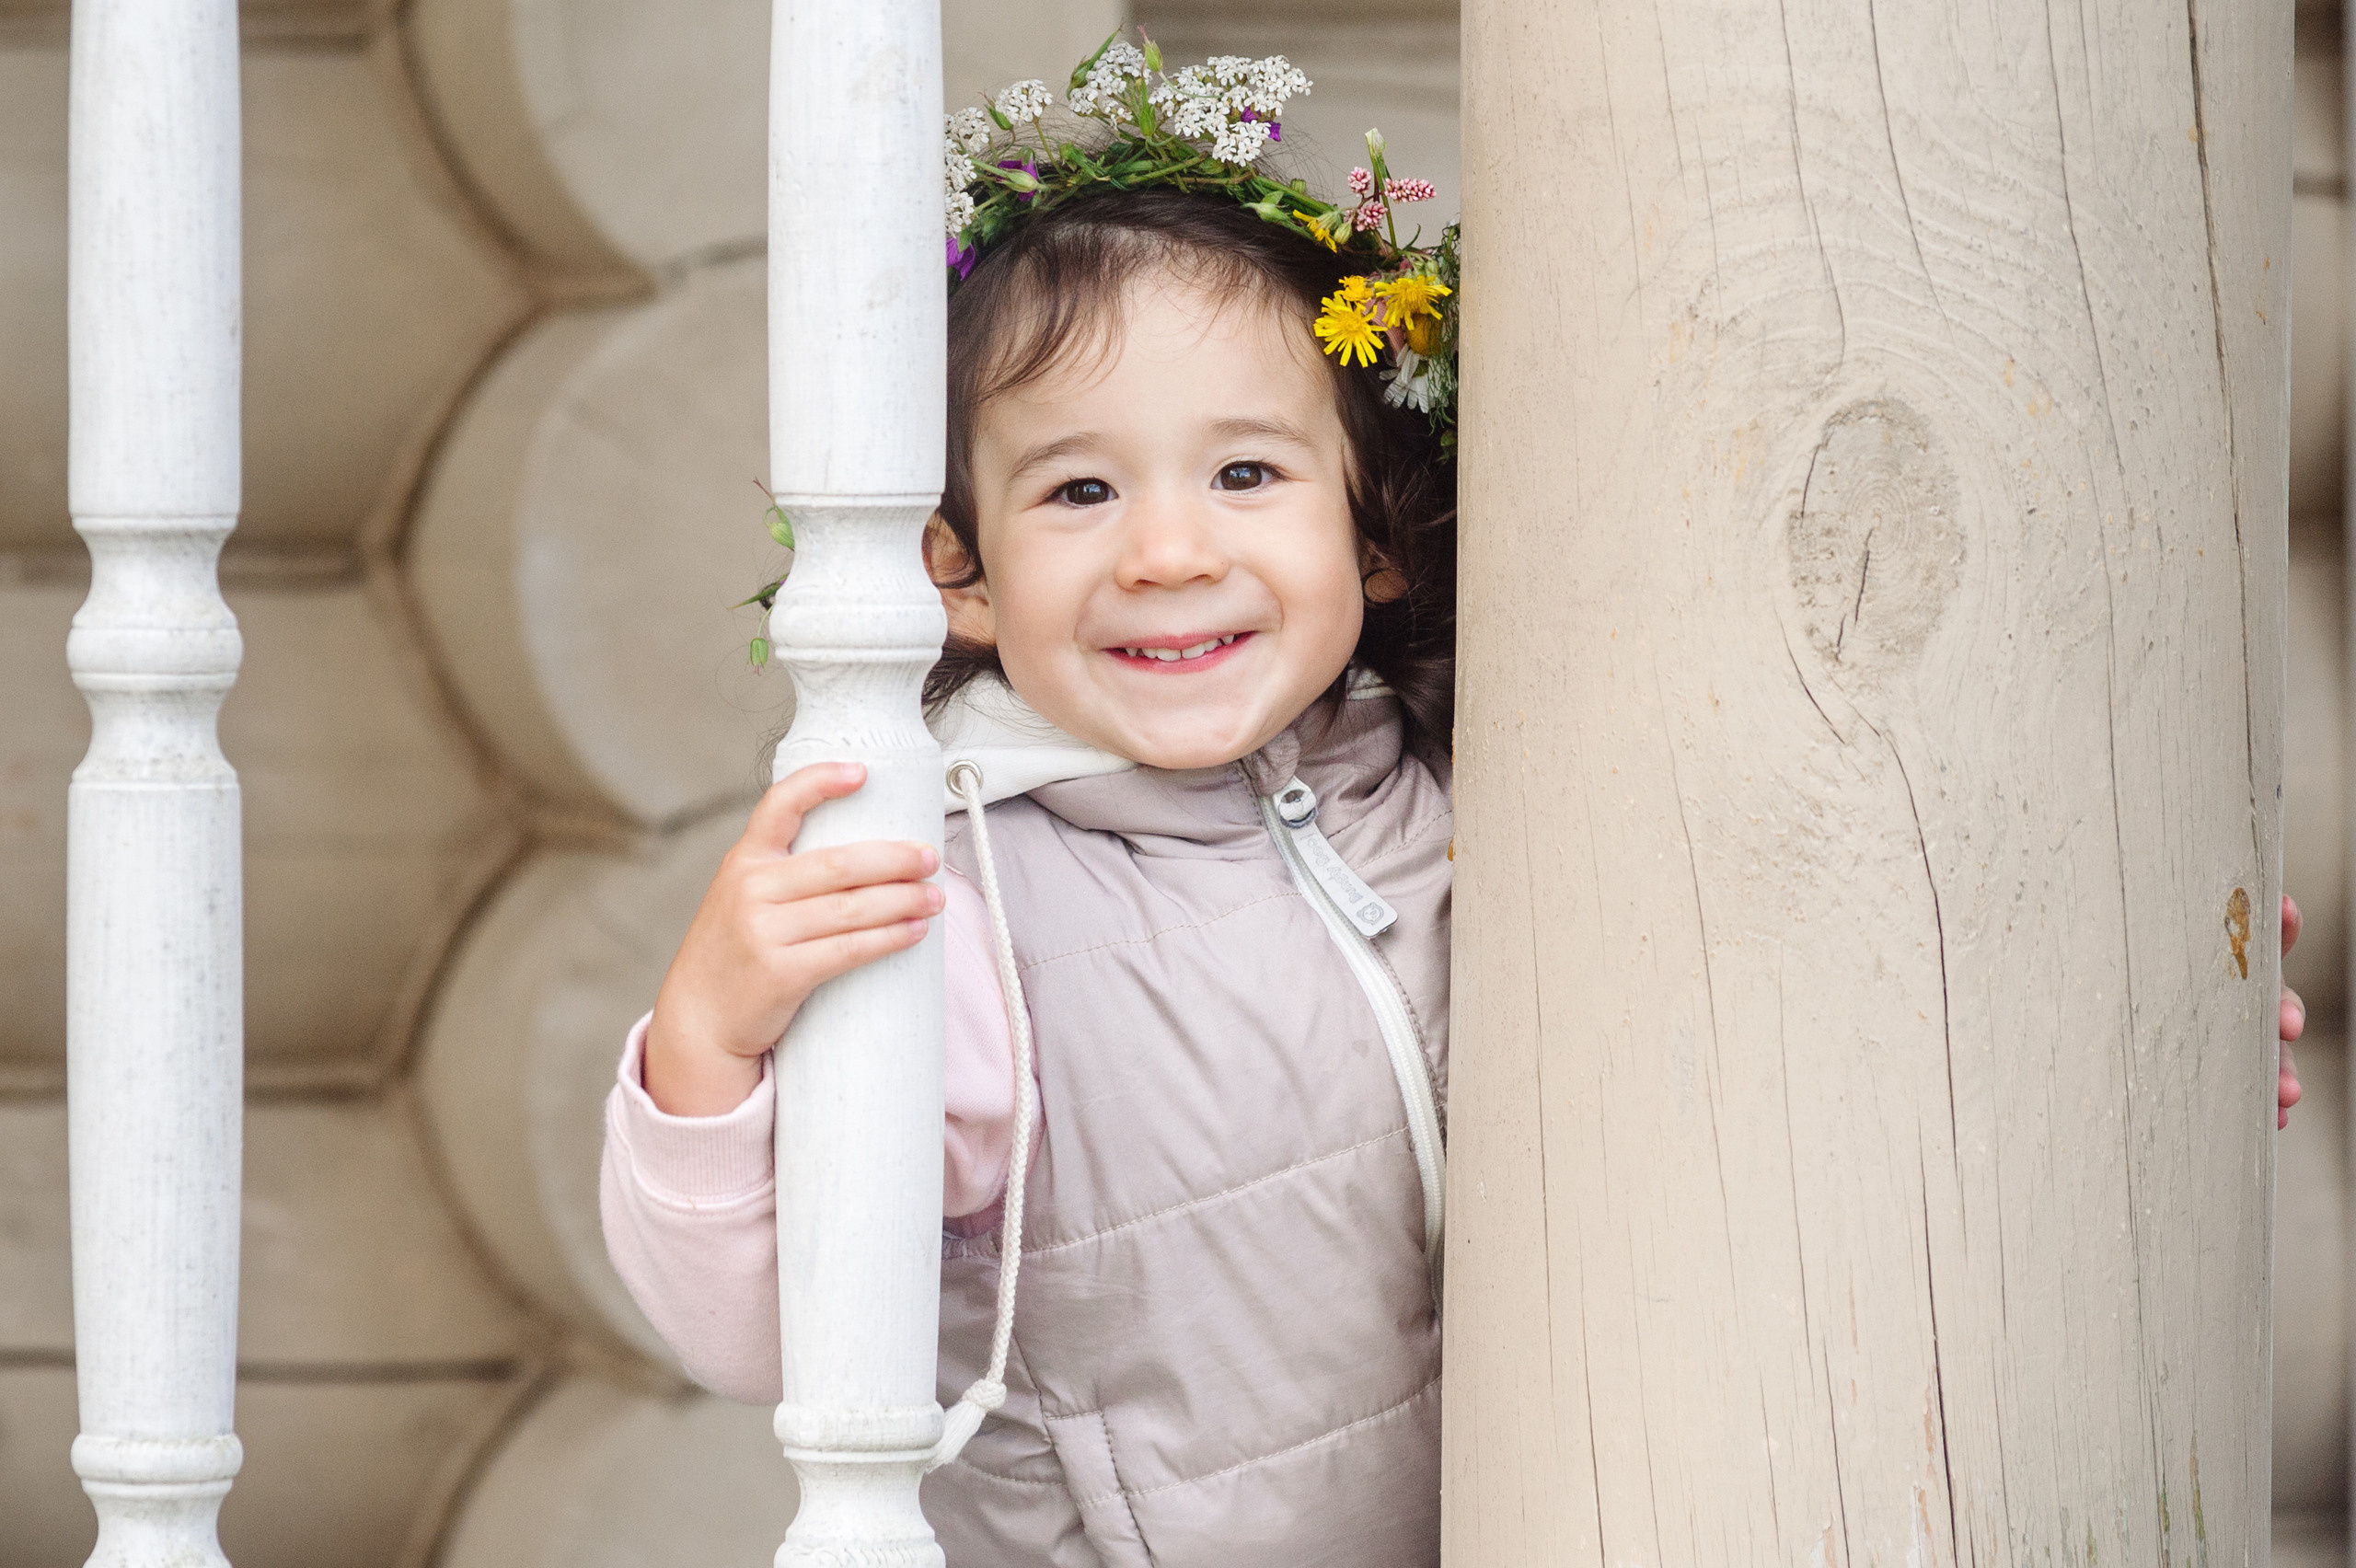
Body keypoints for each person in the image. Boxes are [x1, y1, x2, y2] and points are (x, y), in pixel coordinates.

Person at [599, 38, 2306, 1568]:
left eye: (1247, 472)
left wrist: (2148, 1041)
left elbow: (1812, 1013)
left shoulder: (1478, 812)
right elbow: (765, 1331)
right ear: (960, 577)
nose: (1169, 548)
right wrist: (706, 1051)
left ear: (1376, 538)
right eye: (1079, 490)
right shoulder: (971, 906)